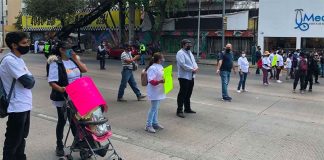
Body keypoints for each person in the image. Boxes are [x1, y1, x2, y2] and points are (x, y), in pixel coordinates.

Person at [47, 41, 88, 157]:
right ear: (61, 50)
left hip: (76, 96)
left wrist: (76, 58)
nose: (72, 51)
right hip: (63, 97)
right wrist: (62, 89)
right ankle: (59, 145)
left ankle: (79, 144)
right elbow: (52, 82)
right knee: (63, 121)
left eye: (72, 49)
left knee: (77, 122)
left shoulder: (73, 60)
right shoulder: (56, 63)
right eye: (69, 49)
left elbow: (84, 70)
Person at [0, 31, 35, 160]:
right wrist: (30, 78)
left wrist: (30, 78)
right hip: (16, 106)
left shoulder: (18, 59)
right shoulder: (10, 60)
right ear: (14, 45)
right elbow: (29, 82)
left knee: (21, 139)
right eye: (24, 43)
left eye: (28, 42)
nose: (27, 45)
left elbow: (29, 80)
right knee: (13, 141)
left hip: (24, 105)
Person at [176, 39, 198, 118]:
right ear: (183, 45)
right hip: (183, 76)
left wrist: (196, 68)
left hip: (191, 76)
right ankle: (179, 110)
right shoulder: (180, 53)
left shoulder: (189, 52)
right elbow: (182, 64)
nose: (189, 45)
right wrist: (192, 69)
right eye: (188, 44)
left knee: (188, 93)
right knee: (182, 93)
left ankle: (187, 108)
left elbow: (193, 61)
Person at [145, 53, 165, 133]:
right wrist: (160, 81)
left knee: (156, 108)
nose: (163, 59)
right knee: (153, 108)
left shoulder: (160, 66)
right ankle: (148, 125)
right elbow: (151, 81)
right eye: (162, 58)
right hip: (154, 91)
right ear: (159, 59)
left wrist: (168, 76)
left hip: (159, 90)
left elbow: (162, 76)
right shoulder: (152, 68)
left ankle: (155, 123)